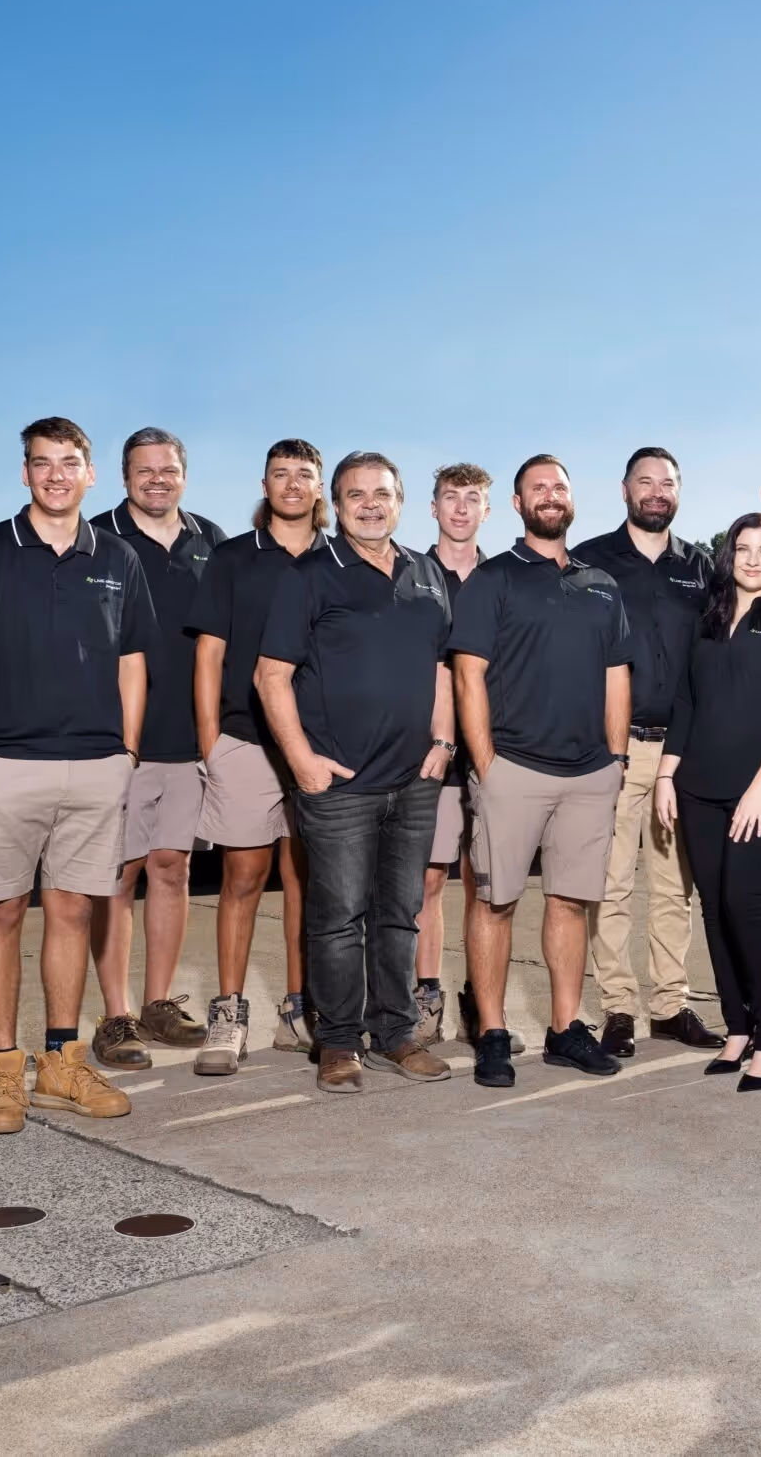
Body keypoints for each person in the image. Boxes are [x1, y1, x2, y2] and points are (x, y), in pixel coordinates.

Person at [0, 417, 154, 1134]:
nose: (56, 474)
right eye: (42, 463)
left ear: (91, 474)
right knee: (0, 915)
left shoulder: (119, 557)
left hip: (96, 766)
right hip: (5, 763)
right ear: (25, 473)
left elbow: (133, 662)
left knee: (71, 912)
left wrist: (126, 751)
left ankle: (61, 1063)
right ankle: (5, 1074)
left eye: (70, 462)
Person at [255, 453, 457, 1095]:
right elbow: (271, 676)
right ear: (334, 505)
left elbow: (442, 666)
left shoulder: (426, 573)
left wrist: (444, 741)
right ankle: (338, 1042)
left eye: (382, 493)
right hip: (338, 785)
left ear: (400, 500)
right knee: (338, 917)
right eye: (355, 495)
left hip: (414, 780)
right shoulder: (308, 576)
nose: (371, 504)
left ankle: (396, 1033)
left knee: (399, 913)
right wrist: (302, 763)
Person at [448, 455, 633, 1086]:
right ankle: (493, 1033)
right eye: (537, 489)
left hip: (589, 775)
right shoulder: (493, 579)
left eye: (560, 486)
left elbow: (616, 674)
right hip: (513, 768)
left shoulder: (601, 583)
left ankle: (564, 1029)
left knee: (569, 903)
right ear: (519, 505)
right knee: (496, 902)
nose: (550, 496)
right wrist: (486, 765)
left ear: (573, 500)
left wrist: (616, 760)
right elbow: (467, 674)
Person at [655, 514, 761, 1092]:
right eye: (742, 549)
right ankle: (738, 1029)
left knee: (746, 906)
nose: (752, 559)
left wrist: (760, 791)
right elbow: (686, 702)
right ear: (728, 557)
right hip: (698, 786)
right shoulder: (707, 621)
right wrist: (667, 775)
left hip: (759, 792)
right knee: (715, 910)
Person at [88, 429, 227, 1071]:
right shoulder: (96, 540)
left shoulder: (212, 542)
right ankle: (115, 1017)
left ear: (184, 475)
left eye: (168, 469)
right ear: (123, 477)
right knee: (117, 876)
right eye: (144, 471)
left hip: (189, 739)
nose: (157, 480)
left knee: (173, 868)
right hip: (120, 745)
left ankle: (158, 1004)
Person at [186, 439, 323, 1075]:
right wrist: (210, 740)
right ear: (264, 483)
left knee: (307, 881)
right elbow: (209, 654)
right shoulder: (234, 558)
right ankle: (230, 1011)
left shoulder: (339, 557)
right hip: (244, 739)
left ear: (320, 487)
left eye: (304, 475)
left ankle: (300, 1010)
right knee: (243, 877)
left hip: (319, 743)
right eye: (280, 475)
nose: (292, 485)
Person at [574, 448, 717, 1056]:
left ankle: (669, 1004)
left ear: (679, 492)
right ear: (625, 489)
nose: (657, 492)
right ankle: (616, 1008)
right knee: (609, 885)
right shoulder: (590, 562)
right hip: (613, 747)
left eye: (668, 483)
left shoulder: (703, 566)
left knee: (672, 888)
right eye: (646, 482)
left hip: (681, 754)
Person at [414, 462, 491, 1046]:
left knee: (487, 882)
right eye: (450, 498)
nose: (461, 508)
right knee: (431, 880)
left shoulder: (504, 578)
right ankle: (426, 996)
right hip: (433, 756)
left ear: (488, 510)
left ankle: (480, 1003)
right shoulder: (411, 575)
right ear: (433, 507)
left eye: (472, 499)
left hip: (494, 753)